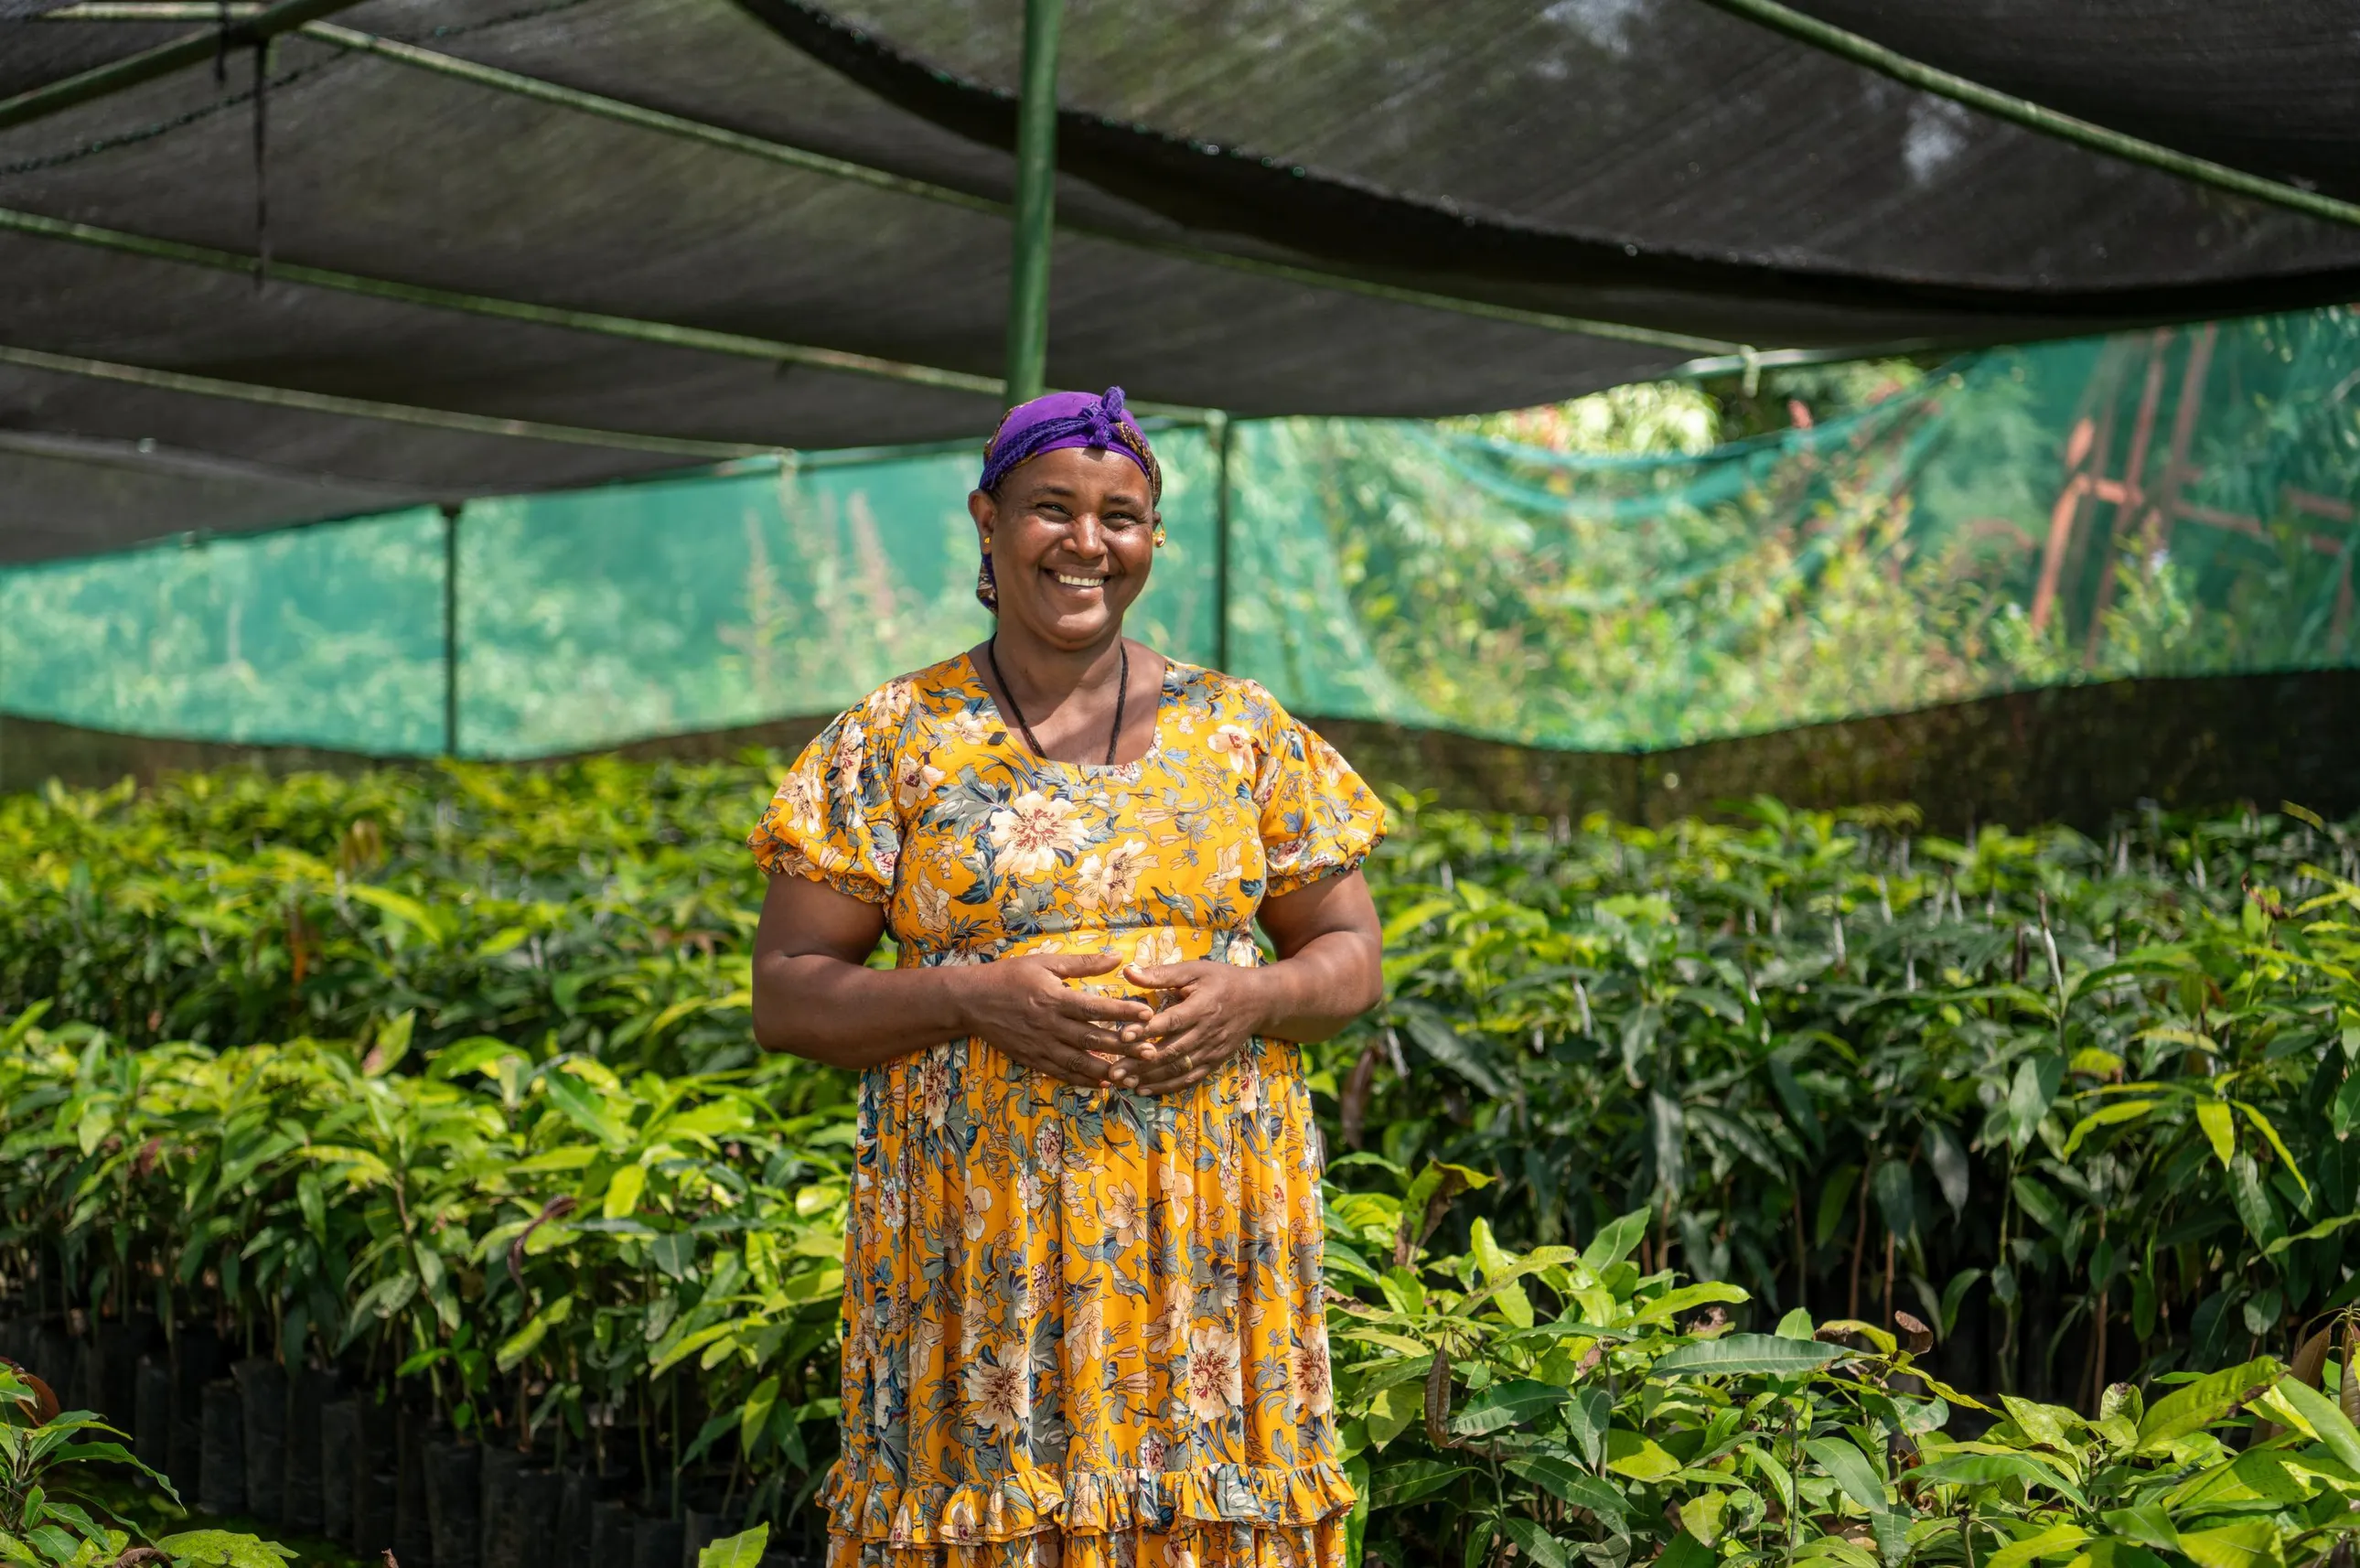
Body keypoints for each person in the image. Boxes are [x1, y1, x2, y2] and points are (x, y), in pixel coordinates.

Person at [747, 387, 1388, 1567]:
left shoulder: (1240, 730)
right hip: (981, 1246)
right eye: (1053, 509)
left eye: (1122, 515)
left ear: (1151, 537)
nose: (1088, 543)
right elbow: (787, 990)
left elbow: (1350, 957)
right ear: (987, 522)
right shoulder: (895, 738)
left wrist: (1258, 998)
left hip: (1205, 1238)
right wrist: (968, 997)